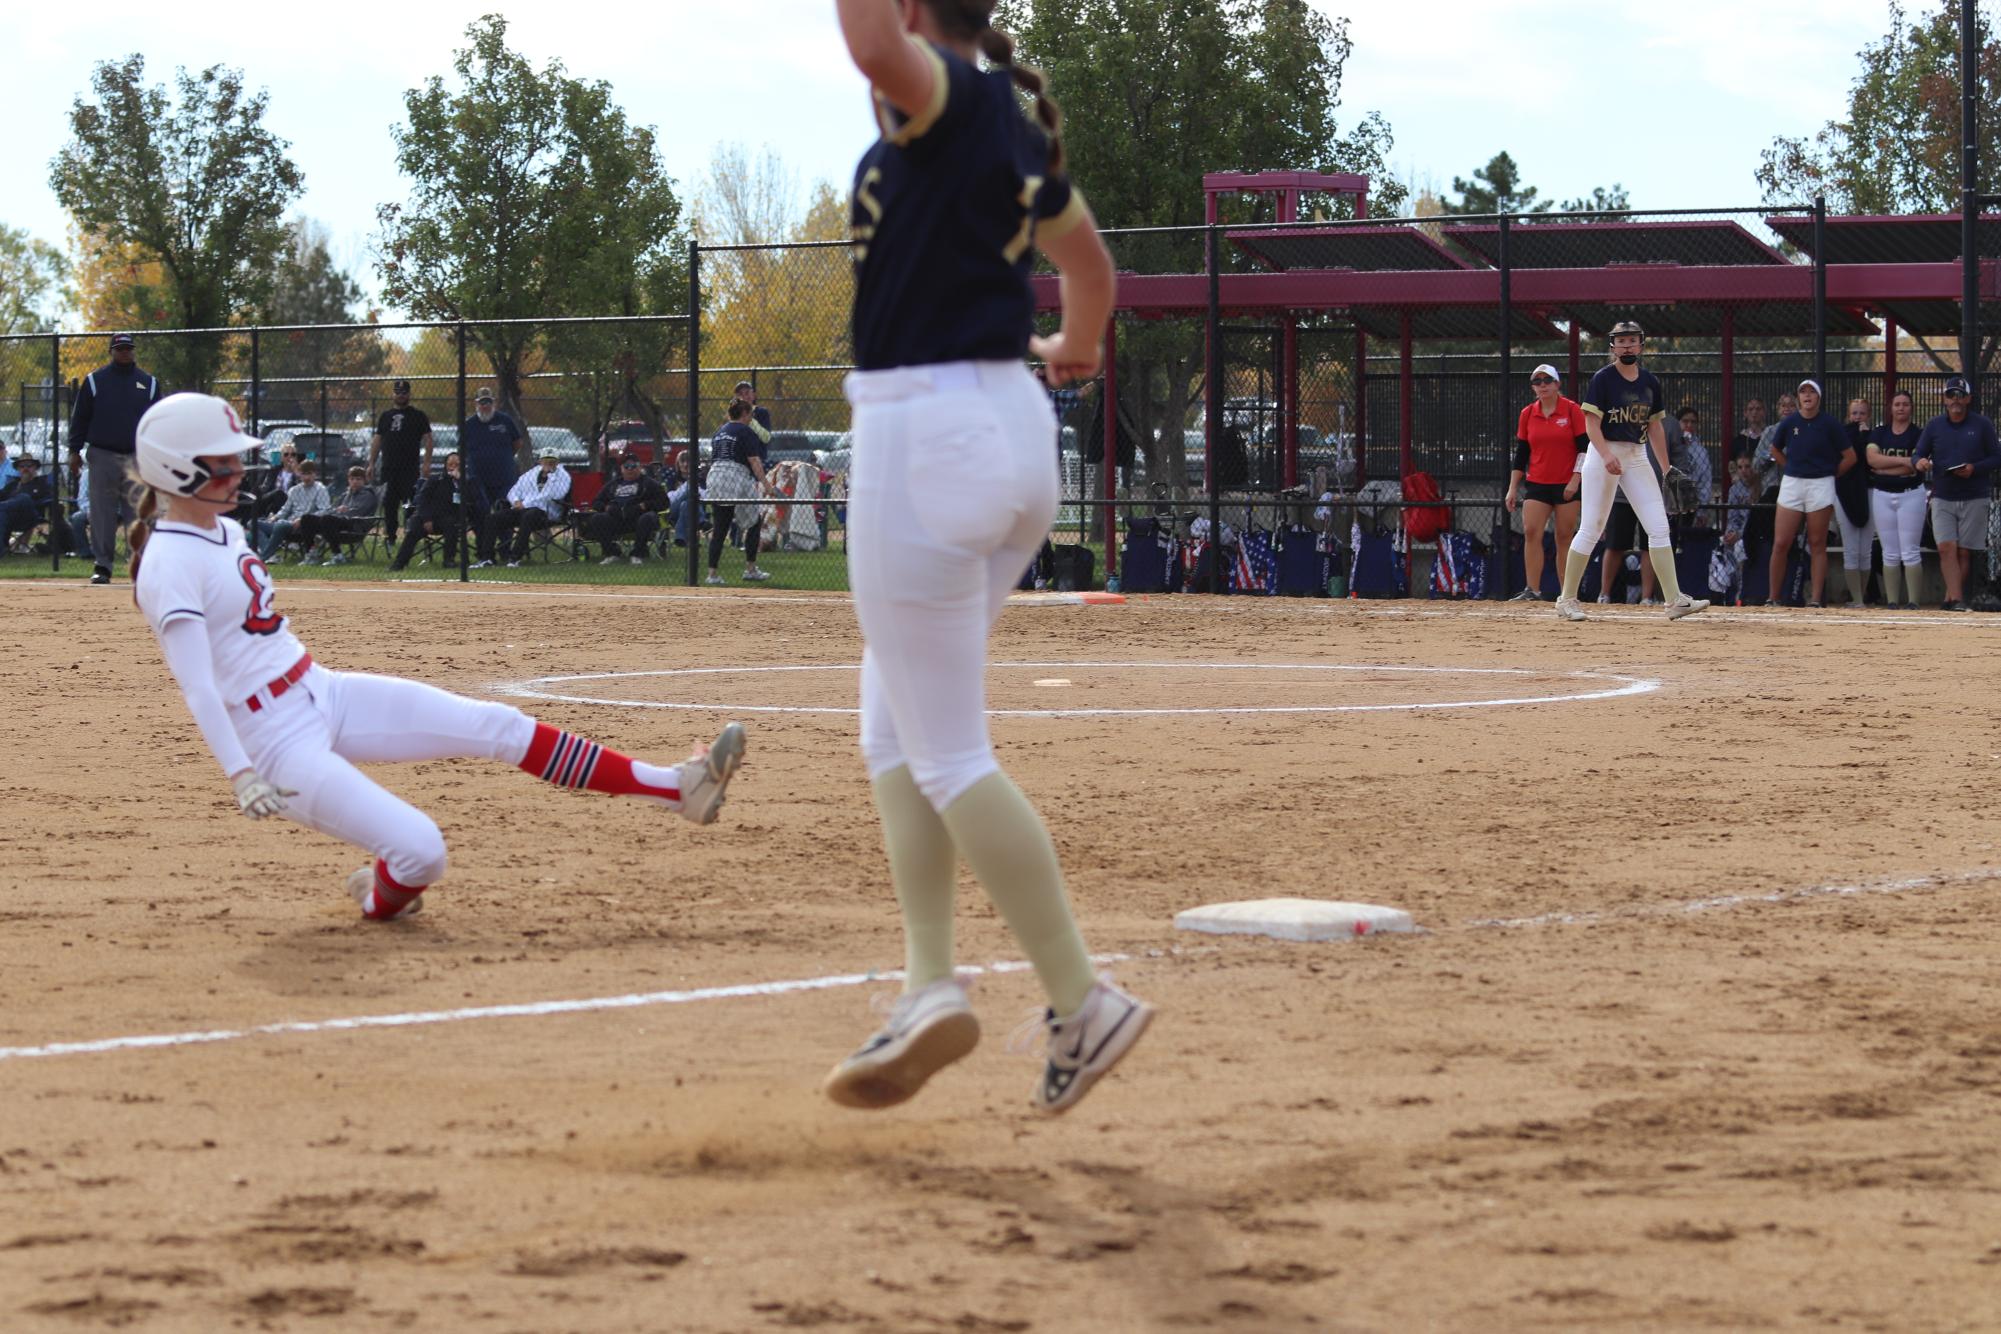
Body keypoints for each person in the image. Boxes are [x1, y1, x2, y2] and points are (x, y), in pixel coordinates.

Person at [825, 0, 1150, 1117]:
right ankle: (928, 983)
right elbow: (1093, 269)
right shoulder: (1008, 119)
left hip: (926, 435)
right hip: (1011, 430)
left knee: (950, 750)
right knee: (893, 717)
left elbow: (873, 47)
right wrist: (1078, 347)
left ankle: (1081, 997)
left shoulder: (948, 93)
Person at [125, 392, 746, 922]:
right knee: (423, 852)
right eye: (223, 462)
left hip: (319, 689)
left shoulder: (224, 529)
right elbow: (199, 688)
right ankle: (380, 897)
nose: (239, 470)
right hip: (272, 742)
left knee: (498, 724)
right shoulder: (169, 562)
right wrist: (240, 772)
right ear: (177, 470)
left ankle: (677, 789)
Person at [1553, 321, 1708, 621]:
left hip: (1636, 456)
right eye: (1621, 340)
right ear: (1612, 346)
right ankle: (1566, 599)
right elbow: (1591, 424)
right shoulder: (1603, 379)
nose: (1626, 345)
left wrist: (1666, 469)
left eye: (1632, 340)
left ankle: (1674, 600)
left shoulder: (1650, 382)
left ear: (1641, 345)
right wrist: (1606, 453)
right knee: (1592, 528)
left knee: (1659, 526)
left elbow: (1654, 427)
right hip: (1604, 453)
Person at [66, 332, 161, 584]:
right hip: (103, 453)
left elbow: (157, 422)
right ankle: (103, 566)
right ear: (111, 351)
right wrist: (74, 451)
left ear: (134, 351)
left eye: (128, 348)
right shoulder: (96, 381)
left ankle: (138, 565)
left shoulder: (148, 383)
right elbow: (80, 418)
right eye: (119, 348)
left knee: (138, 512)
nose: (124, 352)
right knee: (102, 512)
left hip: (136, 455)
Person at [1763, 379, 1856, 608]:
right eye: (1802, 392)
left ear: (1819, 398)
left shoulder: (1829, 424)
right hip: (1793, 483)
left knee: (1817, 542)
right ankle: (1773, 597)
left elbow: (1850, 457)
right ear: (1798, 398)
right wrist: (1790, 467)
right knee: (1782, 542)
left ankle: (1815, 599)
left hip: (1820, 484)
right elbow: (1775, 449)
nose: (1807, 396)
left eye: (1811, 392)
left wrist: (1829, 474)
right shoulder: (1789, 423)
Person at [1912, 375, 2001, 610]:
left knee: (1964, 551)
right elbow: (1918, 453)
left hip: (1974, 494)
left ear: (1969, 398)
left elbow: (1996, 457)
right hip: (1943, 494)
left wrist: (1974, 468)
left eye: (1960, 395)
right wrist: (1920, 462)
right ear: (1944, 399)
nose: (1956, 400)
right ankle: (1958, 600)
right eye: (1951, 395)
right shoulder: (1934, 425)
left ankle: (1950, 599)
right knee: (1946, 547)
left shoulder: (1982, 424)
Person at [1504, 364, 1584, 601]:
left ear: (1557, 384)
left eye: (1547, 380)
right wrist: (1512, 488)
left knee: (1564, 536)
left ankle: (1568, 593)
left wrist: (1575, 479)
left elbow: (1584, 449)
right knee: (1531, 532)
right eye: (1537, 382)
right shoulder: (1528, 414)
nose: (1542, 385)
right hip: (1538, 483)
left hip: (1566, 484)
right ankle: (1533, 590)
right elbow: (1521, 454)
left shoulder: (1572, 410)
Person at [1866, 388, 1925, 609]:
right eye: (1897, 404)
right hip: (1882, 496)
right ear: (1890, 408)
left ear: (1911, 408)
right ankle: (1891, 601)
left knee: (1909, 551)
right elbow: (1872, 460)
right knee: (1889, 551)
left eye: (1905, 404)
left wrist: (1885, 468)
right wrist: (1904, 463)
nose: (1901, 408)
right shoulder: (1879, 433)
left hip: (1911, 495)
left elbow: (1915, 468)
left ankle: (1913, 602)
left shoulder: (1918, 434)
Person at [704, 399, 773, 584]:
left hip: (715, 476)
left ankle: (712, 574)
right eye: (750, 414)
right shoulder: (746, 431)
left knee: (720, 527)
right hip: (735, 476)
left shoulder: (719, 432)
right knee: (754, 522)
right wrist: (767, 485)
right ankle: (750, 569)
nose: (751, 418)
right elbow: (754, 461)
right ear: (744, 414)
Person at [389, 451, 484, 571]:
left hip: (449, 517)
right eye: (450, 464)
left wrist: (461, 481)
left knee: (452, 525)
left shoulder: (468, 482)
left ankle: (448, 560)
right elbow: (422, 500)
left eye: (457, 464)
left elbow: (474, 499)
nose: (453, 467)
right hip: (427, 516)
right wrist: (427, 519)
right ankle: (399, 563)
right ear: (446, 466)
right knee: (413, 530)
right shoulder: (436, 479)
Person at [367, 379, 434, 547]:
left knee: (411, 504)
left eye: (404, 393)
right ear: (393, 394)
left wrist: (426, 463)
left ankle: (411, 536)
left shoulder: (418, 415)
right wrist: (371, 463)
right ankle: (390, 537)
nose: (401, 395)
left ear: (409, 394)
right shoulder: (385, 416)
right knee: (389, 504)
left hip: (409, 469)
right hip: (389, 468)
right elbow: (377, 439)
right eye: (398, 392)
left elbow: (428, 439)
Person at [477, 450, 572, 568]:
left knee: (529, 516)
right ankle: (486, 558)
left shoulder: (563, 476)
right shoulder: (530, 474)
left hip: (545, 512)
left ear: (557, 462)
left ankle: (514, 557)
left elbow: (554, 495)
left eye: (552, 461)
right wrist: (516, 501)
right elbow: (513, 491)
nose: (549, 463)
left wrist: (550, 475)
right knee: (493, 518)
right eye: (546, 460)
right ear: (540, 461)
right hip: (522, 510)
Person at [1832, 396, 1879, 606]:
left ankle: (1861, 597)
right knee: (1851, 548)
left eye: (1862, 413)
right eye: (1854, 413)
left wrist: (1866, 437)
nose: (1857, 417)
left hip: (1869, 491)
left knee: (1865, 549)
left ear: (1868, 415)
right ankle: (1857, 599)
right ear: (1848, 415)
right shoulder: (1840, 435)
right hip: (1845, 493)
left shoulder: (1874, 437)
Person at [582, 454, 668, 564]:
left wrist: (645, 505)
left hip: (638, 518)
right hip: (616, 518)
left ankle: (638, 554)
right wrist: (607, 507)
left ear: (640, 467)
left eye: (633, 466)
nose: (630, 469)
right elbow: (596, 502)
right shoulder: (613, 484)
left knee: (648, 517)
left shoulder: (649, 483)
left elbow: (664, 502)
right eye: (627, 466)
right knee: (597, 518)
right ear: (621, 468)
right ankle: (612, 553)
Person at [294, 466, 381, 566]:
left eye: (358, 479)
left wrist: (343, 511)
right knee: (307, 519)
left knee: (327, 519)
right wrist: (337, 511)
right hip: (337, 522)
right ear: (348, 480)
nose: (355, 482)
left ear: (364, 480)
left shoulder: (367, 495)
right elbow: (332, 509)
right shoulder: (346, 494)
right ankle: (311, 554)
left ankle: (337, 555)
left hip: (354, 525)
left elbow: (357, 512)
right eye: (352, 479)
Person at [461, 388, 524, 517]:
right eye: (482, 402)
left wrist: (505, 457)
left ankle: (506, 538)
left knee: (504, 511)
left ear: (494, 403)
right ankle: (483, 537)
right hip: (478, 479)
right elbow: (462, 449)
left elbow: (517, 443)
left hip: (504, 478)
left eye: (489, 402)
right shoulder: (468, 424)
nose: (486, 406)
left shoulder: (505, 420)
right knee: (480, 512)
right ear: (476, 404)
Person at [1708, 454, 1761, 603]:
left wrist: (1739, 535)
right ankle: (1722, 595)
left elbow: (1755, 521)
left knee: (1739, 547)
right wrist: (1731, 533)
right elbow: (1733, 518)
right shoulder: (1735, 490)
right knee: (1719, 548)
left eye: (1747, 466)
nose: (1744, 471)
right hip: (1738, 533)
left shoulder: (1760, 487)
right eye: (1740, 467)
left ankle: (1741, 591)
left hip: (1753, 534)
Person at [257, 459, 332, 561]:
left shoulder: (320, 489)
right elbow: (285, 510)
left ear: (315, 474)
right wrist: (275, 517)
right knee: (252, 523)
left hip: (303, 525)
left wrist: (303, 519)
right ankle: (271, 555)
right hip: (286, 523)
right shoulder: (294, 490)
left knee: (281, 525)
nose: (306, 477)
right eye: (304, 474)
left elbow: (325, 510)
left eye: (309, 474)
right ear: (299, 475)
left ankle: (263, 557)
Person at [0, 456, 55, 554]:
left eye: (29, 466)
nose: (25, 468)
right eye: (22, 466)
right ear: (17, 469)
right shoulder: (12, 484)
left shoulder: (42, 483)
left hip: (30, 515)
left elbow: (49, 499)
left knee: (24, 498)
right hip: (10, 517)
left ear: (35, 468)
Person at [667, 449, 703, 546]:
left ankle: (680, 538)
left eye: (689, 461)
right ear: (678, 464)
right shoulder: (672, 478)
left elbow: (704, 495)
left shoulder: (700, 478)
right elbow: (670, 498)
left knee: (686, 504)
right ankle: (702, 521)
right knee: (688, 491)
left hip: (692, 511)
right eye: (682, 461)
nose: (686, 464)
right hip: (674, 511)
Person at [1728, 398, 1768, 466]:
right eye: (1750, 409)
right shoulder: (1738, 441)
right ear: (1745, 413)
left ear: (1764, 412)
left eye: (1758, 409)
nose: (1754, 412)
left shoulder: (1770, 436)